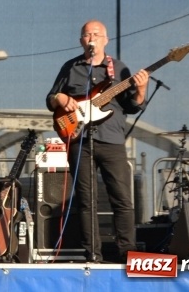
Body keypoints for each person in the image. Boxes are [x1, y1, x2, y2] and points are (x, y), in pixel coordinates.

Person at [45, 20, 149, 263]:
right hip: (80, 139)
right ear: (81, 41)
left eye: (96, 34)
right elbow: (50, 99)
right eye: (87, 34)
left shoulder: (119, 69)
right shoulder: (70, 67)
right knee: (86, 201)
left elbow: (131, 106)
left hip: (112, 140)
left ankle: (127, 252)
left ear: (106, 40)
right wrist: (60, 98)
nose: (91, 37)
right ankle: (92, 254)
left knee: (122, 199)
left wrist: (141, 90)